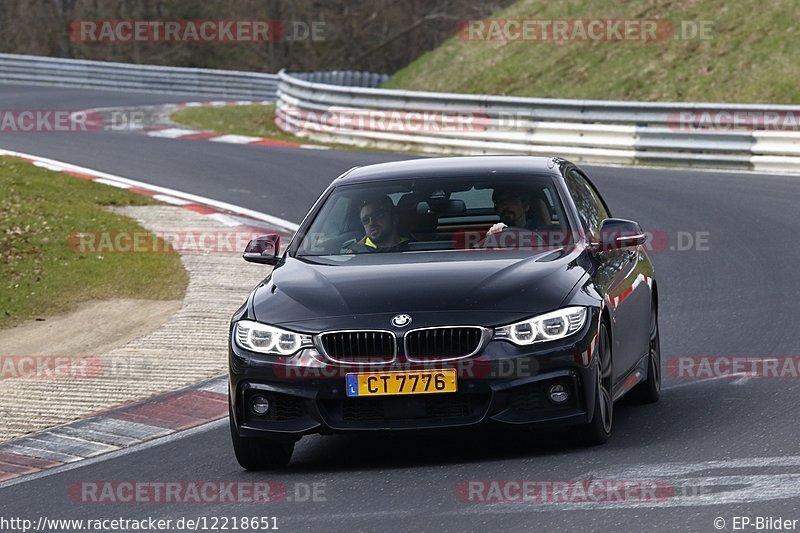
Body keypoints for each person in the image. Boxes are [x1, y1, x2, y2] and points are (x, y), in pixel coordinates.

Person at [342, 195, 411, 253]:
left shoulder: (414, 248)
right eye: (365, 220)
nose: (371, 223)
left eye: (377, 216)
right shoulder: (354, 253)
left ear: (394, 219)